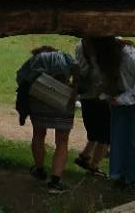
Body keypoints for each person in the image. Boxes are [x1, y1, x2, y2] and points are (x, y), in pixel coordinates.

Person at [97, 36, 135, 185]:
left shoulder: (127, 54)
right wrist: (108, 95)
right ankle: (121, 177)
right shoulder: (101, 57)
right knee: (120, 139)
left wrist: (122, 99)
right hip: (121, 100)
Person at [15, 43, 76, 193]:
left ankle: (40, 170)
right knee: (62, 141)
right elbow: (78, 70)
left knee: (38, 135)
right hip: (64, 100)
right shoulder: (64, 58)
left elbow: (21, 78)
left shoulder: (34, 61)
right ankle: (55, 181)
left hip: (39, 100)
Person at [73, 35, 113, 176]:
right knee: (106, 134)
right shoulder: (99, 49)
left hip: (85, 94)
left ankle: (85, 156)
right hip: (99, 95)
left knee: (95, 131)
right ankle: (94, 166)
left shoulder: (79, 46)